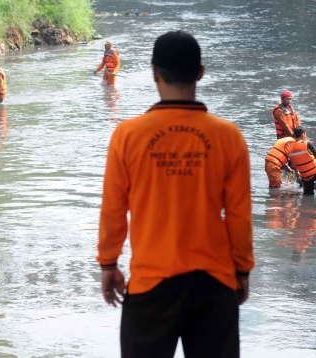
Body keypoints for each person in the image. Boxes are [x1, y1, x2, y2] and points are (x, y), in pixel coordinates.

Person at [96, 31, 254, 358]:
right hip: (214, 285)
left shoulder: (128, 135)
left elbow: (113, 209)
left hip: (151, 286)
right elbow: (239, 216)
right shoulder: (228, 136)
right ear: (200, 73)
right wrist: (241, 270)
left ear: (154, 73)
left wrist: (108, 263)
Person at [288, 126, 316, 194]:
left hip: (305, 175)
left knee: (308, 194)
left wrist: (297, 172)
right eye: (305, 134)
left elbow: (294, 164)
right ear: (303, 135)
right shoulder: (307, 143)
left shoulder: (290, 150)